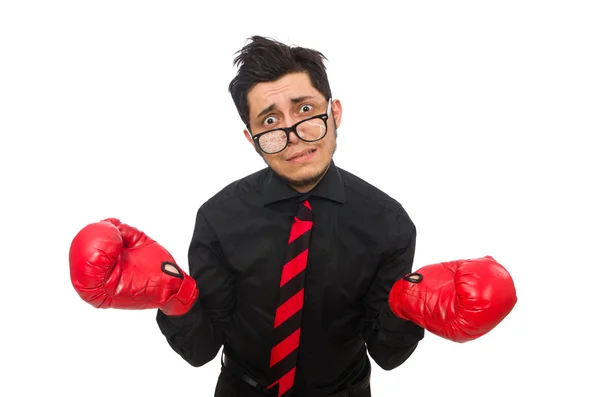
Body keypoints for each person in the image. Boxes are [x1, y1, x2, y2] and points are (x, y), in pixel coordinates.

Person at [68, 35, 517, 397]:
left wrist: (407, 308)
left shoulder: (388, 222)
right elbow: (202, 350)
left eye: (305, 110)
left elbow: (387, 354)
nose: (294, 135)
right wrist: (173, 296)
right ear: (251, 137)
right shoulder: (219, 218)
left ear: (333, 112)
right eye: (269, 121)